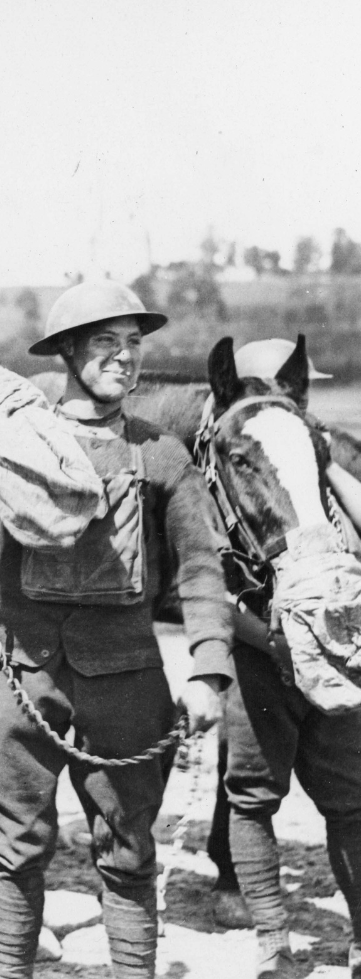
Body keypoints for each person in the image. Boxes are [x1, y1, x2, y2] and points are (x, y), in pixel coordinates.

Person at [0, 281, 234, 979]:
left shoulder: (161, 456)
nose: (124, 359)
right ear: (66, 353)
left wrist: (209, 669)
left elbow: (202, 569)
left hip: (125, 687)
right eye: (105, 345)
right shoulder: (11, 441)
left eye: (133, 345)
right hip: (11, 681)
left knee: (128, 855)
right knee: (19, 853)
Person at [213, 337, 361, 978]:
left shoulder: (317, 455)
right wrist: (268, 640)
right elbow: (201, 587)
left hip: (328, 649)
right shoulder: (220, 472)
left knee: (352, 801)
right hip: (259, 651)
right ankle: (272, 941)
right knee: (252, 797)